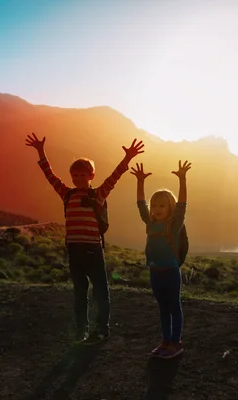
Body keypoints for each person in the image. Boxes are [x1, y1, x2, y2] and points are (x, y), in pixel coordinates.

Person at [25, 132, 144, 344]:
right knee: (79, 293)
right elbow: (50, 175)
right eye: (75, 175)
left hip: (93, 251)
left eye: (83, 175)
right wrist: (41, 151)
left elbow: (114, 177)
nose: (78, 178)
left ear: (91, 176)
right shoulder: (67, 194)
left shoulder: (97, 195)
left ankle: (102, 329)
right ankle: (81, 330)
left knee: (100, 292)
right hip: (74, 251)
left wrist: (128, 158)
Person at [131, 160, 191, 359]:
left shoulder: (173, 225)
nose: (156, 209)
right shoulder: (149, 222)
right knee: (163, 308)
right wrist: (140, 182)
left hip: (171, 272)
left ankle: (176, 342)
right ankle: (165, 340)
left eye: (162, 205)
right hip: (155, 271)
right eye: (154, 205)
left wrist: (182, 180)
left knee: (174, 306)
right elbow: (141, 204)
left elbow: (182, 205)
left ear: (170, 207)